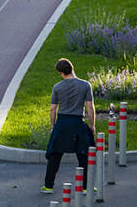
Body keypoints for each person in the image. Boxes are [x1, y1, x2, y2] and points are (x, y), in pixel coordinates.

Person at [40, 58, 96, 194]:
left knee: (55, 155)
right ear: (72, 68)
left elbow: (53, 109)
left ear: (61, 72)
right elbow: (90, 106)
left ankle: (48, 186)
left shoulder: (57, 87)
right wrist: (92, 125)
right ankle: (86, 187)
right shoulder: (85, 85)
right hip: (77, 122)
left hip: (62, 123)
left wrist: (53, 126)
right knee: (83, 155)